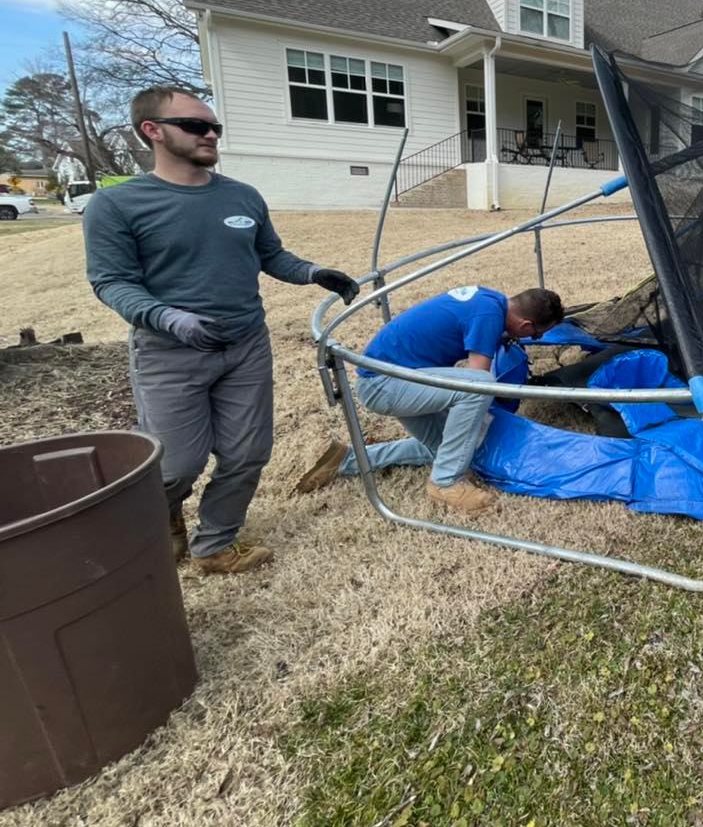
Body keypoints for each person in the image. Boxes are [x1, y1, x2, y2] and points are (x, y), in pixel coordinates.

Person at [84, 86, 360, 574]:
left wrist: (315, 272)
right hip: (169, 351)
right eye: (195, 126)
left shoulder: (241, 196)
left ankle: (215, 544)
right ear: (153, 131)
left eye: (215, 127)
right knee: (175, 464)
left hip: (246, 344)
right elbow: (111, 282)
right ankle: (163, 516)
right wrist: (170, 318)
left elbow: (270, 256)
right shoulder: (119, 205)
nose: (211, 134)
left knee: (248, 452)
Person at [296, 285, 564, 514]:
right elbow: (477, 379)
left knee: (453, 447)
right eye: (537, 335)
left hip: (401, 376)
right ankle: (445, 483)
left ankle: (346, 461)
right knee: (480, 387)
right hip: (385, 384)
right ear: (526, 325)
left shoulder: (490, 300)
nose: (534, 338)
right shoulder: (489, 316)